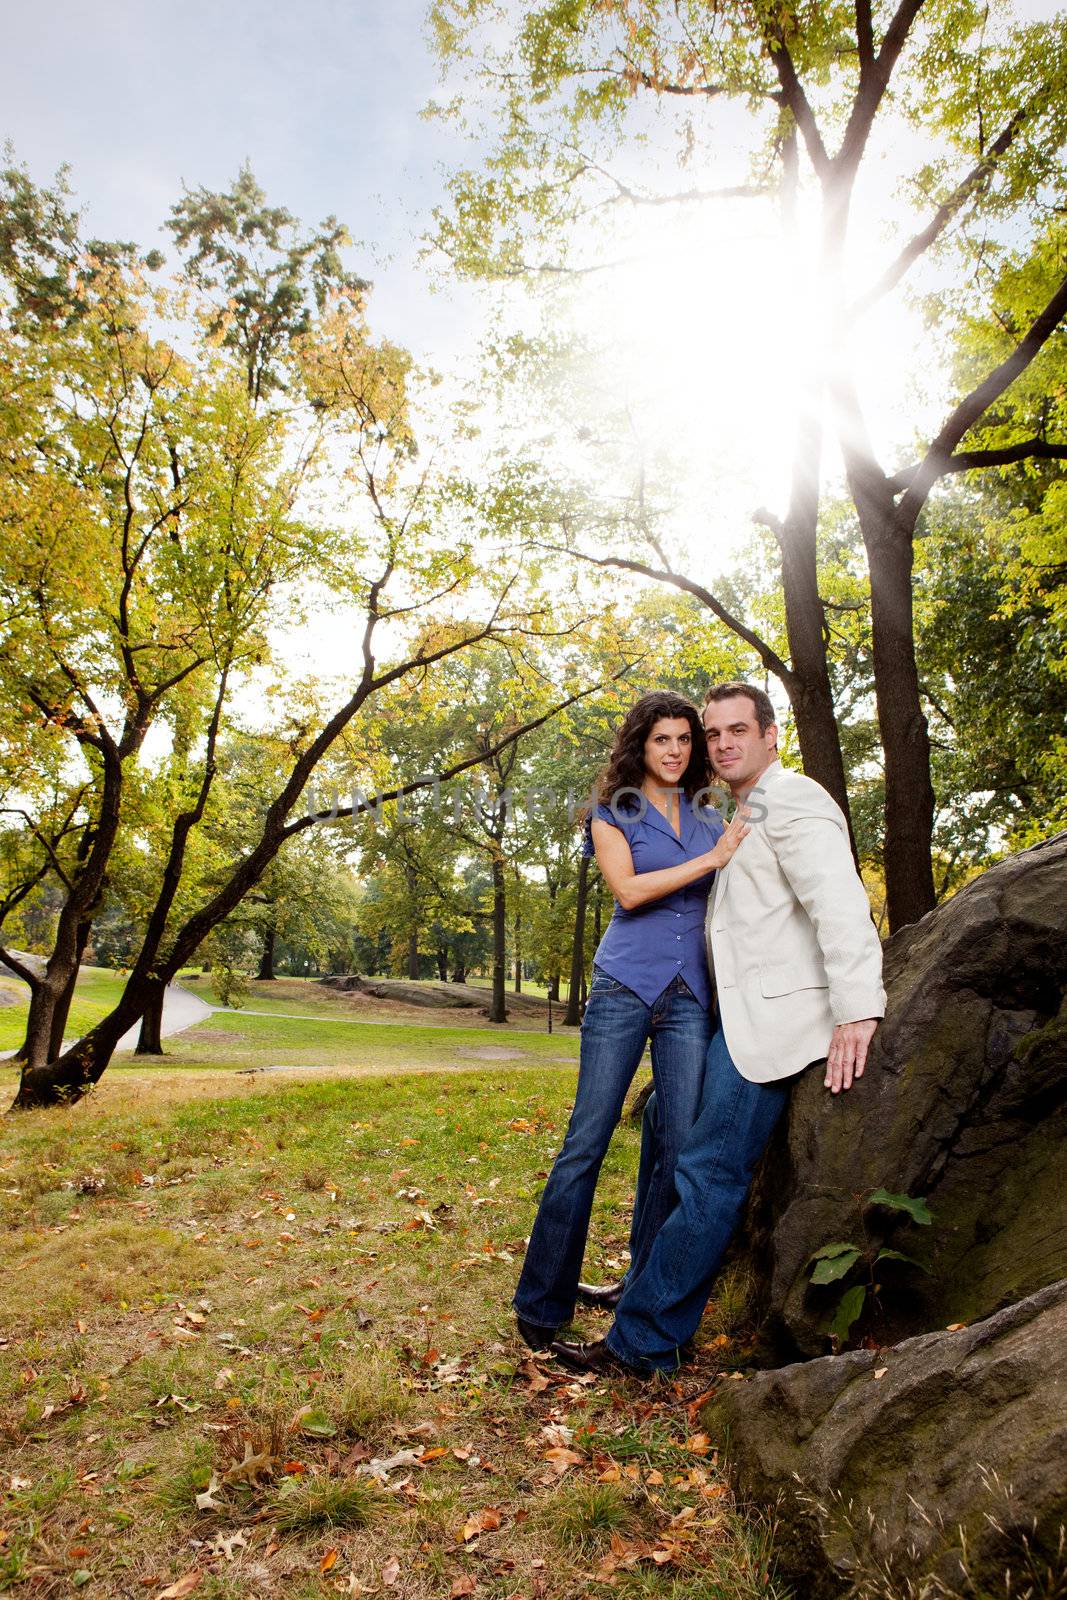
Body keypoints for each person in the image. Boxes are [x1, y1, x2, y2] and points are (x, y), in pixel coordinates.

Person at [550, 681, 886, 1375]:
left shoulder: (792, 798)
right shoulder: (731, 811)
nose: (722, 743)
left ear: (770, 736)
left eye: (738, 729)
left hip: (774, 1021)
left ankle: (644, 1342)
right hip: (724, 1011)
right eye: (713, 733)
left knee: (706, 1169)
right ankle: (641, 1283)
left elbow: (838, 902)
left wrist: (857, 1007)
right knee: (660, 1145)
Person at [512, 690, 749, 1352]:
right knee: (586, 1142)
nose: (674, 751)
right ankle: (540, 1303)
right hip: (623, 987)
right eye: (660, 740)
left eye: (682, 740)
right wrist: (710, 860)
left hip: (689, 996)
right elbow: (629, 890)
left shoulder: (709, 813)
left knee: (675, 1150)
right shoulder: (612, 813)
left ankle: (639, 1289)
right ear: (639, 747)